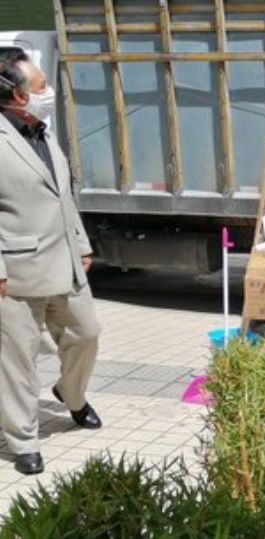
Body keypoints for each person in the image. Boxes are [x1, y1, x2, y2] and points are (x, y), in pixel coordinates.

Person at [0, 57, 103, 476]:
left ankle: (71, 395)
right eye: (40, 86)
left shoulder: (43, 130)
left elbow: (62, 195)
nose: (49, 93)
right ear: (17, 95)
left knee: (87, 334)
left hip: (66, 262)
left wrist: (81, 241)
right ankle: (23, 438)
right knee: (18, 360)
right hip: (17, 273)